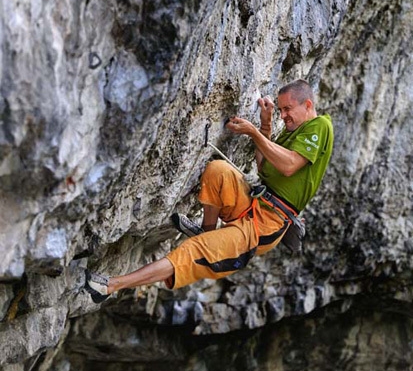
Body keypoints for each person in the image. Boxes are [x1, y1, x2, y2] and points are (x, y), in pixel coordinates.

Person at [85, 79, 334, 303]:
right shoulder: (293, 133)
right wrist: (266, 126)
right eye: (281, 110)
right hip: (253, 204)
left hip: (264, 226)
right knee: (218, 170)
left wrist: (255, 133)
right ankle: (206, 231)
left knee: (190, 253)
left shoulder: (320, 125)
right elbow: (264, 167)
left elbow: (289, 166)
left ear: (308, 104)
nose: (284, 115)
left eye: (287, 109)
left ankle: (109, 286)